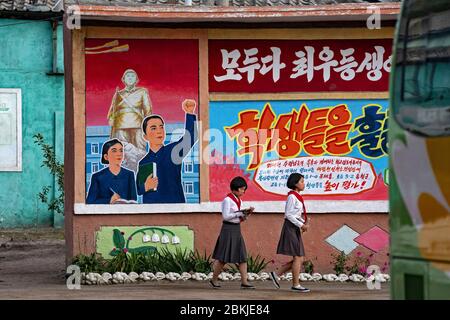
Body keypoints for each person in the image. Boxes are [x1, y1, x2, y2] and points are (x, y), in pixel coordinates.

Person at [136, 99, 198, 203]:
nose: (159, 131)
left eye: (161, 127)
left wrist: (190, 113)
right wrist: (145, 187)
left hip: (175, 208)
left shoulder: (173, 151)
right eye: (153, 128)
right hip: (151, 210)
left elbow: (191, 137)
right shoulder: (143, 162)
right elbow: (138, 189)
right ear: (145, 136)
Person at [210, 176, 255, 289]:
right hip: (228, 229)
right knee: (223, 258)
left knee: (242, 256)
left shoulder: (239, 200)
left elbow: (238, 217)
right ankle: (214, 279)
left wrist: (246, 214)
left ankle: (244, 282)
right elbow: (225, 216)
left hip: (236, 229)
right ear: (236, 188)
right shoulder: (227, 200)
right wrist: (239, 213)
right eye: (242, 189)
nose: (244, 191)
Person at [269, 173, 311, 292]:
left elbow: (295, 215)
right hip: (290, 227)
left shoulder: (296, 196)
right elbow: (288, 215)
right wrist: (302, 224)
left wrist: (303, 222)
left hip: (294, 227)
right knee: (298, 256)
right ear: (295, 184)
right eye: (302, 181)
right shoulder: (292, 197)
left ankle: (276, 274)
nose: (304, 183)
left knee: (300, 257)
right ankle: (295, 285)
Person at [107, 69, 152, 154]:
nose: (130, 78)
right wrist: (111, 119)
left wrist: (147, 124)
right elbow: (113, 109)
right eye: (128, 76)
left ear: (136, 80)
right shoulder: (118, 94)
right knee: (123, 150)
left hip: (138, 124)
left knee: (140, 149)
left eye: (132, 76)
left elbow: (148, 109)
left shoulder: (142, 92)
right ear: (123, 79)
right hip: (121, 125)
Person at [86, 139, 137, 204]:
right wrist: (109, 200)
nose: (119, 154)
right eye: (114, 151)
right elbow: (90, 202)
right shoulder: (97, 177)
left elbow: (133, 200)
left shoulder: (130, 174)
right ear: (106, 157)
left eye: (121, 151)